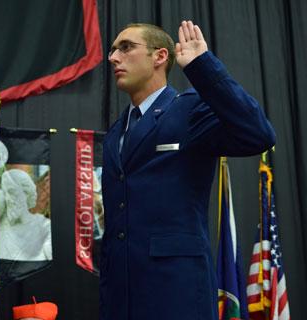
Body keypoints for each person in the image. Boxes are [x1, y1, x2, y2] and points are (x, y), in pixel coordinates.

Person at [100, 21, 276, 320]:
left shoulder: (189, 109)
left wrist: (202, 67)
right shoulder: (116, 132)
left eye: (126, 47)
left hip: (175, 291)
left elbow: (258, 135)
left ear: (159, 57)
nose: (113, 57)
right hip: (121, 295)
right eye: (113, 50)